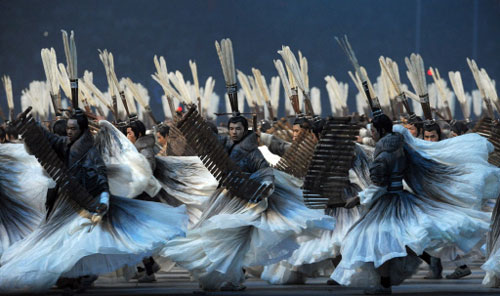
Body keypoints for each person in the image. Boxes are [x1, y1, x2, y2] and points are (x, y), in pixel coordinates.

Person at [0, 109, 187, 292]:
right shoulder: (66, 144)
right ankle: (70, 277)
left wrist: (104, 200)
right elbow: (49, 140)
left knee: (78, 242)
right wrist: (30, 126)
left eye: (73, 129)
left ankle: (78, 277)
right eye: (68, 129)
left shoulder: (91, 153)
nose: (69, 132)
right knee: (62, 242)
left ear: (81, 130)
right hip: (67, 203)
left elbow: (101, 179)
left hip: (88, 203)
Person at [162, 115, 334, 292]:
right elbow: (208, 139)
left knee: (230, 242)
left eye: (238, 129)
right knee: (213, 237)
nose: (234, 132)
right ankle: (223, 280)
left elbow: (265, 172)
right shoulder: (224, 145)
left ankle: (224, 281)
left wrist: (264, 186)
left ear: (245, 131)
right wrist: (193, 125)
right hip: (223, 198)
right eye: (231, 129)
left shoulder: (253, 152)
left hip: (245, 203)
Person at [331, 114, 496, 294]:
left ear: (381, 131)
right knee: (386, 239)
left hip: (388, 203)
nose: (372, 134)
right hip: (400, 199)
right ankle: (389, 280)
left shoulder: (384, 153)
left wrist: (358, 199)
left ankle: (386, 284)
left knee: (373, 239)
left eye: (374, 131)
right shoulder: (400, 146)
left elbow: (380, 186)